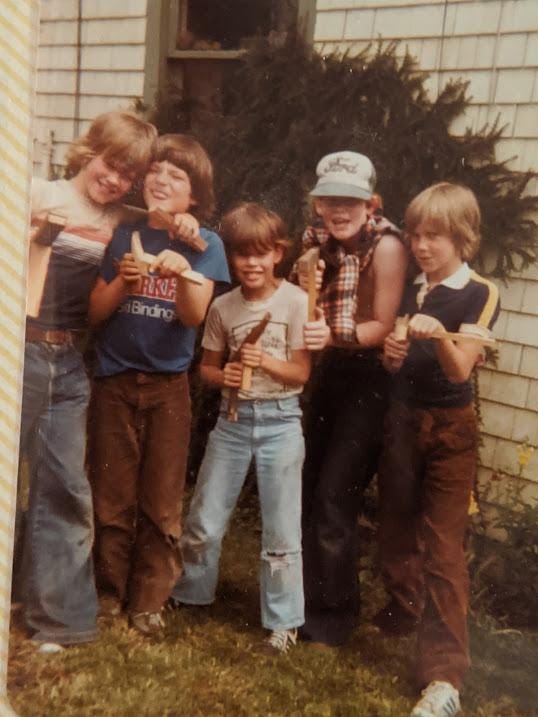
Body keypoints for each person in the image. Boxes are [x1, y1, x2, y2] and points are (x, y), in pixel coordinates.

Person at [18, 111, 158, 650]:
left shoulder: (120, 220)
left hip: (69, 361)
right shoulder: (36, 192)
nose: (115, 178)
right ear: (88, 150)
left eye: (128, 174)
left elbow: (164, 218)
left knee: (65, 487)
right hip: (17, 352)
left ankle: (59, 620)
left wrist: (183, 222)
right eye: (110, 163)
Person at [88, 134, 230, 637]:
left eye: (177, 177)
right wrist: (125, 282)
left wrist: (184, 273)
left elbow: (193, 318)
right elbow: (96, 314)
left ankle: (149, 599)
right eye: (156, 172)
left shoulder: (204, 243)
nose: (161, 181)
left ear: (195, 197)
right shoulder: (123, 232)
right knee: (112, 491)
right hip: (114, 378)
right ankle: (110, 591)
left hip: (169, 386)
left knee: (162, 497)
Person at [170, 202, 324, 653]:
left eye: (261, 254)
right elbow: (207, 370)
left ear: (278, 253)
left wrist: (265, 362)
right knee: (203, 520)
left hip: (280, 424)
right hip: (232, 424)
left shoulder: (296, 301)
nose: (252, 264)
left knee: (281, 530)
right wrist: (227, 376)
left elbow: (300, 374)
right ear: (231, 259)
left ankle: (283, 622)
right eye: (241, 255)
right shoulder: (222, 307)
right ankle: (192, 594)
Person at [377, 183, 500, 717]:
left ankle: (444, 677)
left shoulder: (479, 292)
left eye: (435, 237)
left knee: (443, 547)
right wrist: (394, 350)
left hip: (451, 429)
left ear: (462, 237)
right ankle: (405, 610)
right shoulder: (413, 288)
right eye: (416, 235)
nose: (422, 246)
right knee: (395, 529)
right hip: (402, 420)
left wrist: (439, 334)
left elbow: (460, 368)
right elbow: (395, 366)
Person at [294, 150, 408, 647]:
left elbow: (383, 325)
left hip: (370, 377)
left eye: (351, 200)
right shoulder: (316, 244)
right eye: (330, 200)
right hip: (330, 369)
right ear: (317, 203)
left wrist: (330, 339)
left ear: (371, 203)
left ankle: (332, 620)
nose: (339, 210)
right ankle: (301, 603)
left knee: (334, 494)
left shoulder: (386, 248)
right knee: (307, 484)